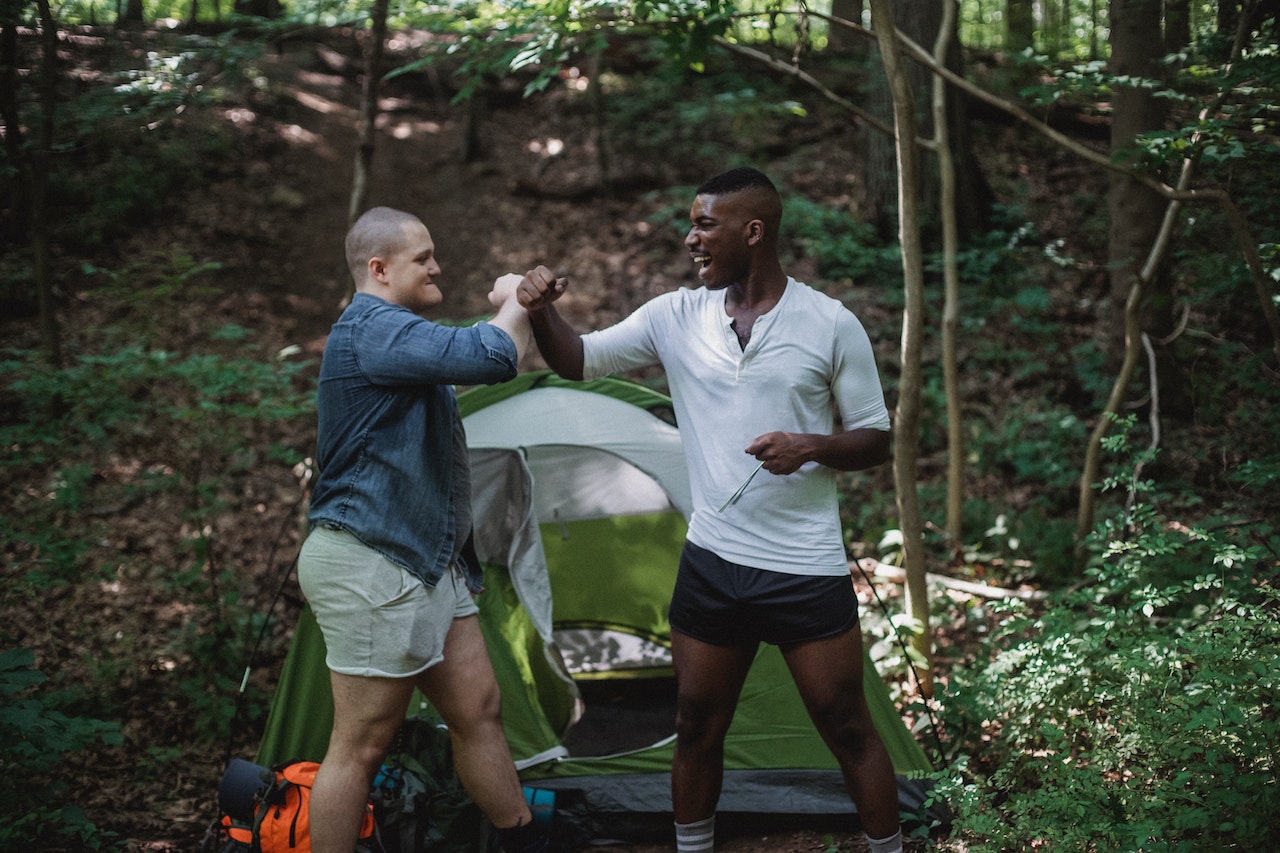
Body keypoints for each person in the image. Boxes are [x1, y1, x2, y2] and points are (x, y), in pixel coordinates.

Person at [513, 168, 903, 853]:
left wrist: (810, 444)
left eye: (704, 224)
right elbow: (578, 361)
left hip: (802, 568)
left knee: (847, 726)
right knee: (695, 724)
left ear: (753, 231)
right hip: (713, 565)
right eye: (691, 224)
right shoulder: (674, 317)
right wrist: (543, 309)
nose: (691, 238)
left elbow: (876, 436)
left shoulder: (828, 323)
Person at [298, 206, 547, 853]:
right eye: (423, 257)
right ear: (379, 269)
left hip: (425, 562)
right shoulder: (372, 326)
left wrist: (517, 313)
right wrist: (512, 297)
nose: (438, 266)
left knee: (478, 708)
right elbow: (491, 352)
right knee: (362, 743)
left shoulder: (399, 337)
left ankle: (518, 836)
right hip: (373, 558)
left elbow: (499, 354)